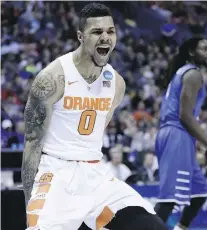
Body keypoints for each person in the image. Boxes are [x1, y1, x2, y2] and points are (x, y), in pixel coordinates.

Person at [21, 3, 167, 230]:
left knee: (152, 226)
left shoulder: (116, 83)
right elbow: (32, 144)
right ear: (81, 36)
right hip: (56, 173)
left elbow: (97, 132)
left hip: (96, 174)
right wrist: (30, 204)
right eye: (97, 32)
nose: (105, 37)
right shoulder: (52, 78)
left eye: (110, 31)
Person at [154, 37, 207, 230]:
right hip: (176, 135)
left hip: (177, 135)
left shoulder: (181, 73)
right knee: (168, 200)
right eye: (204, 49)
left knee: (200, 193)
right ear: (191, 52)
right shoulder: (192, 74)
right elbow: (185, 116)